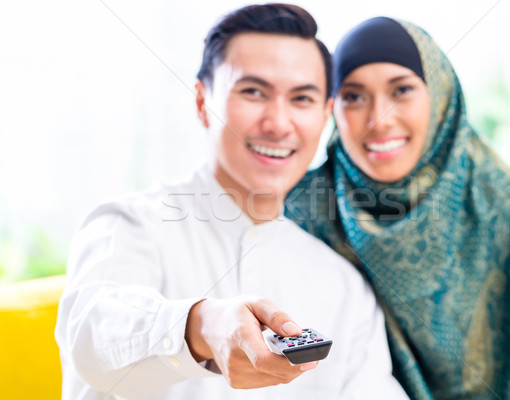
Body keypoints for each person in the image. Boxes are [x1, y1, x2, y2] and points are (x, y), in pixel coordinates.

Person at [55, 5, 409, 400]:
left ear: (326, 114)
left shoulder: (344, 287)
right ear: (202, 102)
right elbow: (88, 334)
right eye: (253, 92)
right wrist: (200, 326)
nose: (278, 123)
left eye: (302, 99)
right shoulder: (127, 226)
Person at [286, 16, 510, 399]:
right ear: (331, 107)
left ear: (438, 96)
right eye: (353, 96)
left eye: (401, 90)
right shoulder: (303, 209)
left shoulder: (486, 187)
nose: (379, 120)